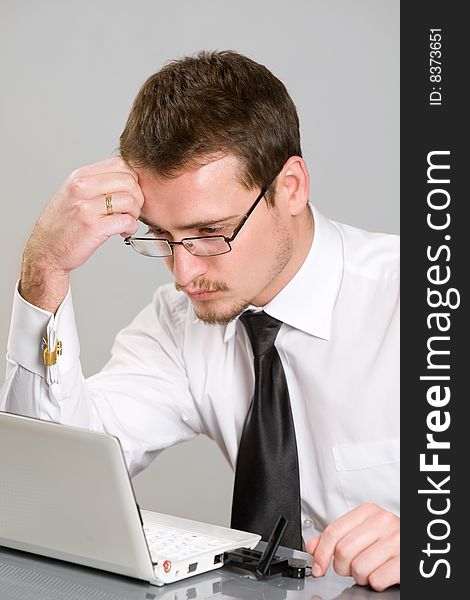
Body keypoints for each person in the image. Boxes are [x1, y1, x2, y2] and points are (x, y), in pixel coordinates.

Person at [0, 50, 399, 591]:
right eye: (161, 236)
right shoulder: (178, 324)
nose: (184, 272)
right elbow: (48, 487)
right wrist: (44, 271)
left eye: (211, 232)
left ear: (292, 188)